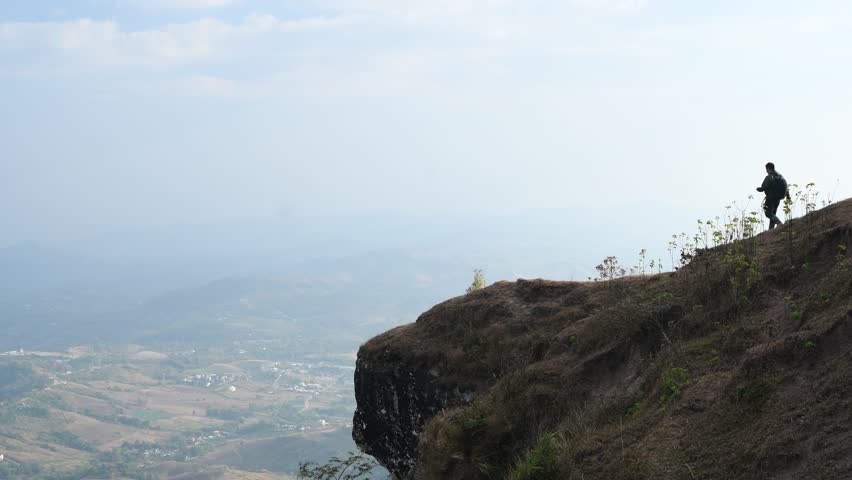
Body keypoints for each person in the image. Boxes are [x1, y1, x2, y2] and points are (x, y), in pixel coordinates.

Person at [756, 162, 790, 230]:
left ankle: (779, 224)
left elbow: (764, 187)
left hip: (771, 197)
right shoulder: (780, 176)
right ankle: (771, 230)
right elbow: (786, 186)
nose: (766, 171)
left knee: (768, 213)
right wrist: (788, 197)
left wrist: (759, 189)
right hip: (778, 198)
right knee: (773, 214)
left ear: (768, 169)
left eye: (766, 169)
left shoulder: (769, 176)